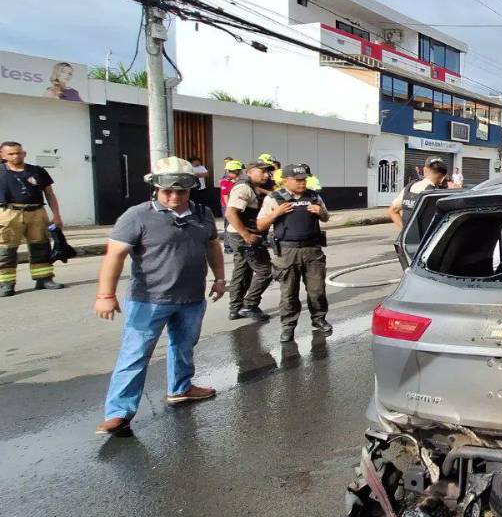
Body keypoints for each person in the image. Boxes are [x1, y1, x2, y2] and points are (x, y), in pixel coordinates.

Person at [94, 156, 226, 435]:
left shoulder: (202, 214)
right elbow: (114, 255)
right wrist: (105, 294)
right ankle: (118, 412)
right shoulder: (136, 216)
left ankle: (181, 388)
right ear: (155, 187)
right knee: (135, 355)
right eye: (168, 190)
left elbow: (213, 246)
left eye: (182, 190)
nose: (174, 196)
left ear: (191, 187)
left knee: (184, 346)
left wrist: (220, 279)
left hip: (191, 298)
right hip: (148, 301)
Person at [257, 164, 332, 343]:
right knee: (289, 293)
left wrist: (320, 212)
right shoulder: (274, 198)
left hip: (312, 250)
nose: (302, 183)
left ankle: (319, 319)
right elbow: (260, 225)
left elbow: (326, 217)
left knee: (317, 290)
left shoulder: (313, 196)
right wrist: (276, 213)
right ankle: (288, 326)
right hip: (287, 251)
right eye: (298, 180)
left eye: (304, 179)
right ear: (286, 180)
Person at [0, 141, 66, 296]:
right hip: (9, 213)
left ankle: (43, 279)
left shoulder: (37, 171)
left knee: (41, 247)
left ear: (24, 153)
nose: (16, 156)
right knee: (5, 250)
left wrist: (56, 215)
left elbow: (50, 194)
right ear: (2, 155)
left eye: (19, 152)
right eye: (11, 153)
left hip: (37, 212)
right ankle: (6, 284)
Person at [224, 162, 274, 321]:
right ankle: (249, 305)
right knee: (265, 271)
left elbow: (261, 192)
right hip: (244, 237)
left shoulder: (250, 186)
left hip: (238, 236)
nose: (267, 175)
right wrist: (246, 235)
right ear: (250, 172)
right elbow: (230, 214)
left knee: (242, 271)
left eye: (268, 172)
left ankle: (235, 308)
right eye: (263, 171)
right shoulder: (244, 188)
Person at [390, 156, 449, 231]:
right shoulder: (437, 194)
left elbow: (392, 211)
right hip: (428, 240)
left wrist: (404, 232)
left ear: (425, 170)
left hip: (408, 240)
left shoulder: (410, 187)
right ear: (443, 177)